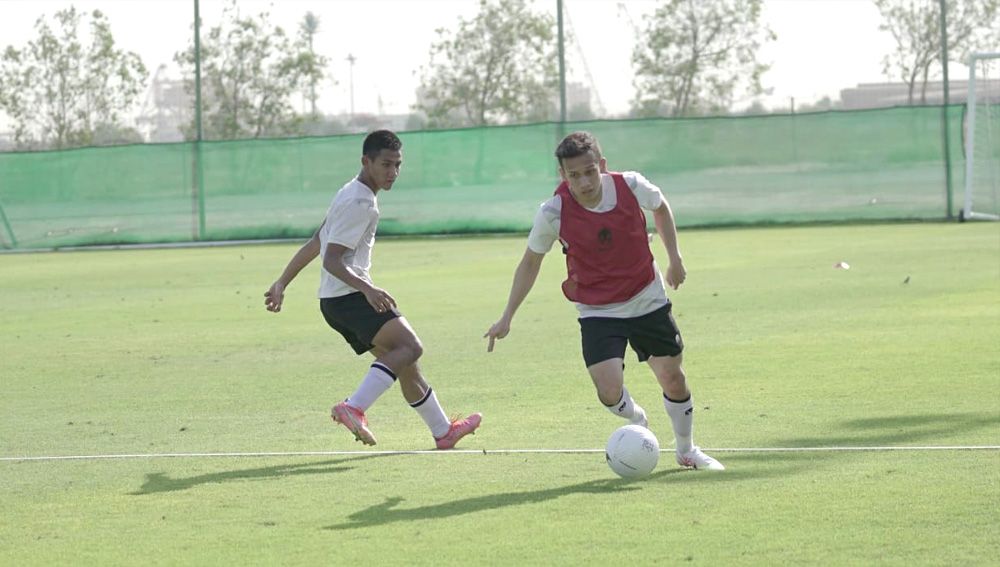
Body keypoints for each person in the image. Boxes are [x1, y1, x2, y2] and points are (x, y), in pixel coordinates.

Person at [484, 131, 723, 470]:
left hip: (646, 298)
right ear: (563, 176)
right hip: (597, 309)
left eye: (589, 171)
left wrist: (675, 258)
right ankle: (638, 420)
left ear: (603, 166)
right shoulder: (553, 212)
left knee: (673, 377)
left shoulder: (630, 185)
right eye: (573, 175)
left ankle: (687, 449)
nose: (583, 182)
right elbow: (530, 262)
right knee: (609, 391)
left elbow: (661, 207)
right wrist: (507, 316)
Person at [265, 129, 481, 450]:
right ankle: (354, 406)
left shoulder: (348, 192)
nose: (393, 172)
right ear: (366, 161)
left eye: (397, 165)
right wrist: (368, 288)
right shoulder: (360, 202)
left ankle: (443, 432)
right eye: (385, 164)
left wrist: (282, 282)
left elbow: (316, 241)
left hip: (335, 302)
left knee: (407, 364)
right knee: (410, 347)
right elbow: (332, 259)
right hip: (349, 298)